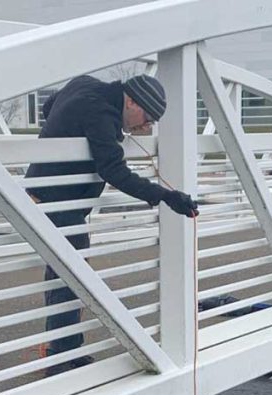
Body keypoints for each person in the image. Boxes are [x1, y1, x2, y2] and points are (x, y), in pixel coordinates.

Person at [25, 74, 199, 376]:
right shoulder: (101, 112)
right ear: (130, 100)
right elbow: (114, 171)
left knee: (70, 271)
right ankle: (58, 356)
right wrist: (166, 196)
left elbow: (50, 106)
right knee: (69, 273)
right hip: (57, 198)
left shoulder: (83, 84)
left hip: (51, 192)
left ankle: (68, 348)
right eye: (146, 117)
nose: (145, 127)